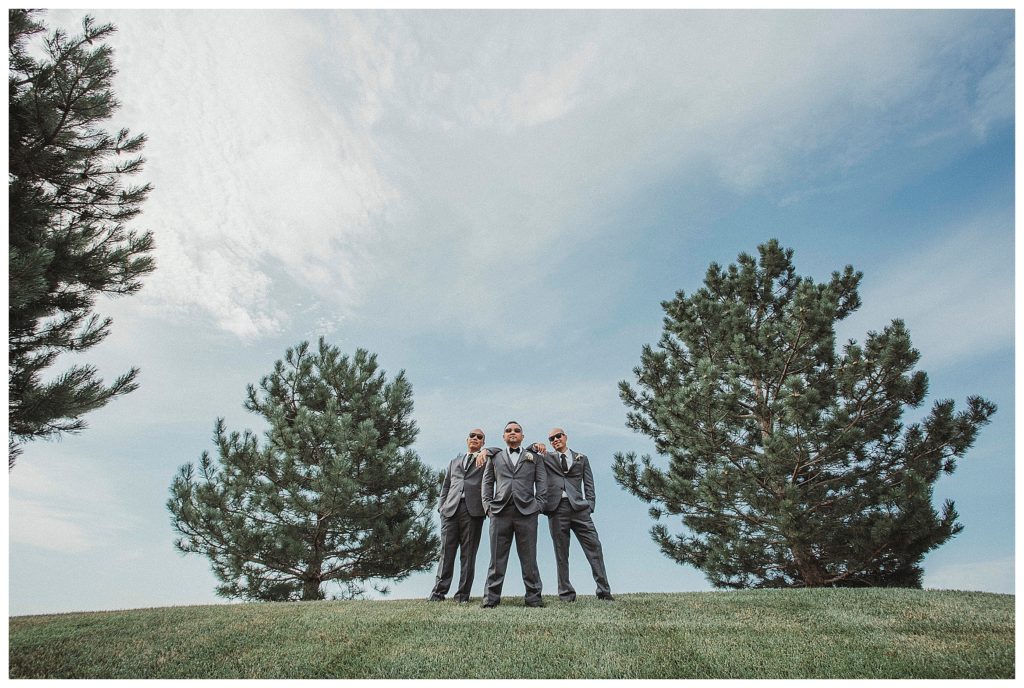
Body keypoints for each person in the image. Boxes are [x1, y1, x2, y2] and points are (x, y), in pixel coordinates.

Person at [532, 427, 613, 602]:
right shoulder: (547, 458)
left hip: (579, 509)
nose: (555, 440)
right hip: (556, 508)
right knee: (561, 552)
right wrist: (536, 445)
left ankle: (604, 591)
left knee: (594, 547)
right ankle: (566, 593)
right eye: (551, 438)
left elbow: (589, 484)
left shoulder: (581, 458)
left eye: (558, 436)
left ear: (565, 437)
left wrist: (590, 505)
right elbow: (529, 452)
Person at [480, 421, 548, 608]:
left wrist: (539, 505)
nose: (513, 433)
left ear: (522, 437)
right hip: (500, 513)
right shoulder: (494, 457)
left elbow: (542, 483)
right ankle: (491, 599)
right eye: (508, 431)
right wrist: (488, 506)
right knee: (496, 558)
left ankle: (534, 598)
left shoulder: (534, 457)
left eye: (517, 431)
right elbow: (487, 483)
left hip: (527, 513)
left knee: (529, 558)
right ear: (503, 436)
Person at [428, 428, 488, 603]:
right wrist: (441, 507)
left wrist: (487, 452)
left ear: (483, 442)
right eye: (472, 436)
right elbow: (446, 485)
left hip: (473, 511)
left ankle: (462, 595)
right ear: (467, 440)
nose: (475, 439)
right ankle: (438, 593)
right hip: (450, 511)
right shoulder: (454, 462)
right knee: (446, 552)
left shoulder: (486, 460)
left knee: (468, 555)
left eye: (479, 437)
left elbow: (498, 453)